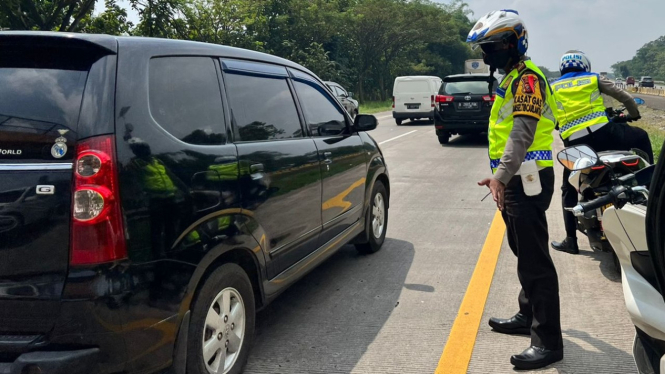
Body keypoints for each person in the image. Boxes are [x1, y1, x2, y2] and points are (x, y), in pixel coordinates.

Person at [469, 9, 564, 370]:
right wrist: (500, 179)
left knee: (536, 261)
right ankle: (528, 316)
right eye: (483, 49)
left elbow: (522, 133)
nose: (486, 56)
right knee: (522, 251)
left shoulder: (527, 81)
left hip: (526, 180)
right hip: (514, 182)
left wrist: (501, 176)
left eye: (491, 47)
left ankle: (548, 342)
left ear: (514, 44)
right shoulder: (509, 80)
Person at [550, 50, 654, 254]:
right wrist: (633, 114)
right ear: (584, 66)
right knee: (641, 136)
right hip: (606, 133)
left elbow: (549, 118)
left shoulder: (552, 87)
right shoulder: (593, 78)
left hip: (578, 145)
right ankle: (651, 185)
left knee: (568, 188)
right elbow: (625, 97)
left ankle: (571, 240)